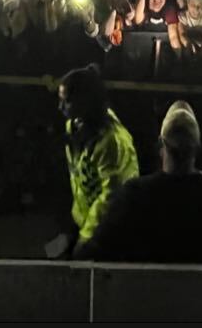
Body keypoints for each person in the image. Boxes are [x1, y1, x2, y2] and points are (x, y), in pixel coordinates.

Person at [89, 101, 202, 263]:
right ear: (198, 148)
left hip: (144, 287)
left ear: (160, 144)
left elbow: (101, 247)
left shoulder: (134, 195)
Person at [45, 64, 138, 260]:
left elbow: (110, 199)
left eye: (67, 101)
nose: (60, 107)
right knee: (52, 257)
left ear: (85, 102)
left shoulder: (111, 141)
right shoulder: (75, 125)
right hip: (83, 218)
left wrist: (86, 238)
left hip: (109, 230)